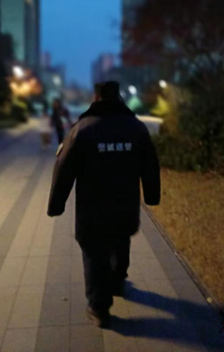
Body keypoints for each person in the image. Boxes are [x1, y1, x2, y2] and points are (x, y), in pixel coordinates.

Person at [47, 81, 161, 328]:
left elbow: (64, 168)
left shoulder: (83, 129)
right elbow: (150, 165)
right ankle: (117, 281)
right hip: (125, 204)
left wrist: (56, 204)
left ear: (96, 97)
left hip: (92, 207)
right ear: (118, 97)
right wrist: (152, 196)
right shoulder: (136, 128)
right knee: (120, 240)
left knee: (94, 251)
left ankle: (99, 308)